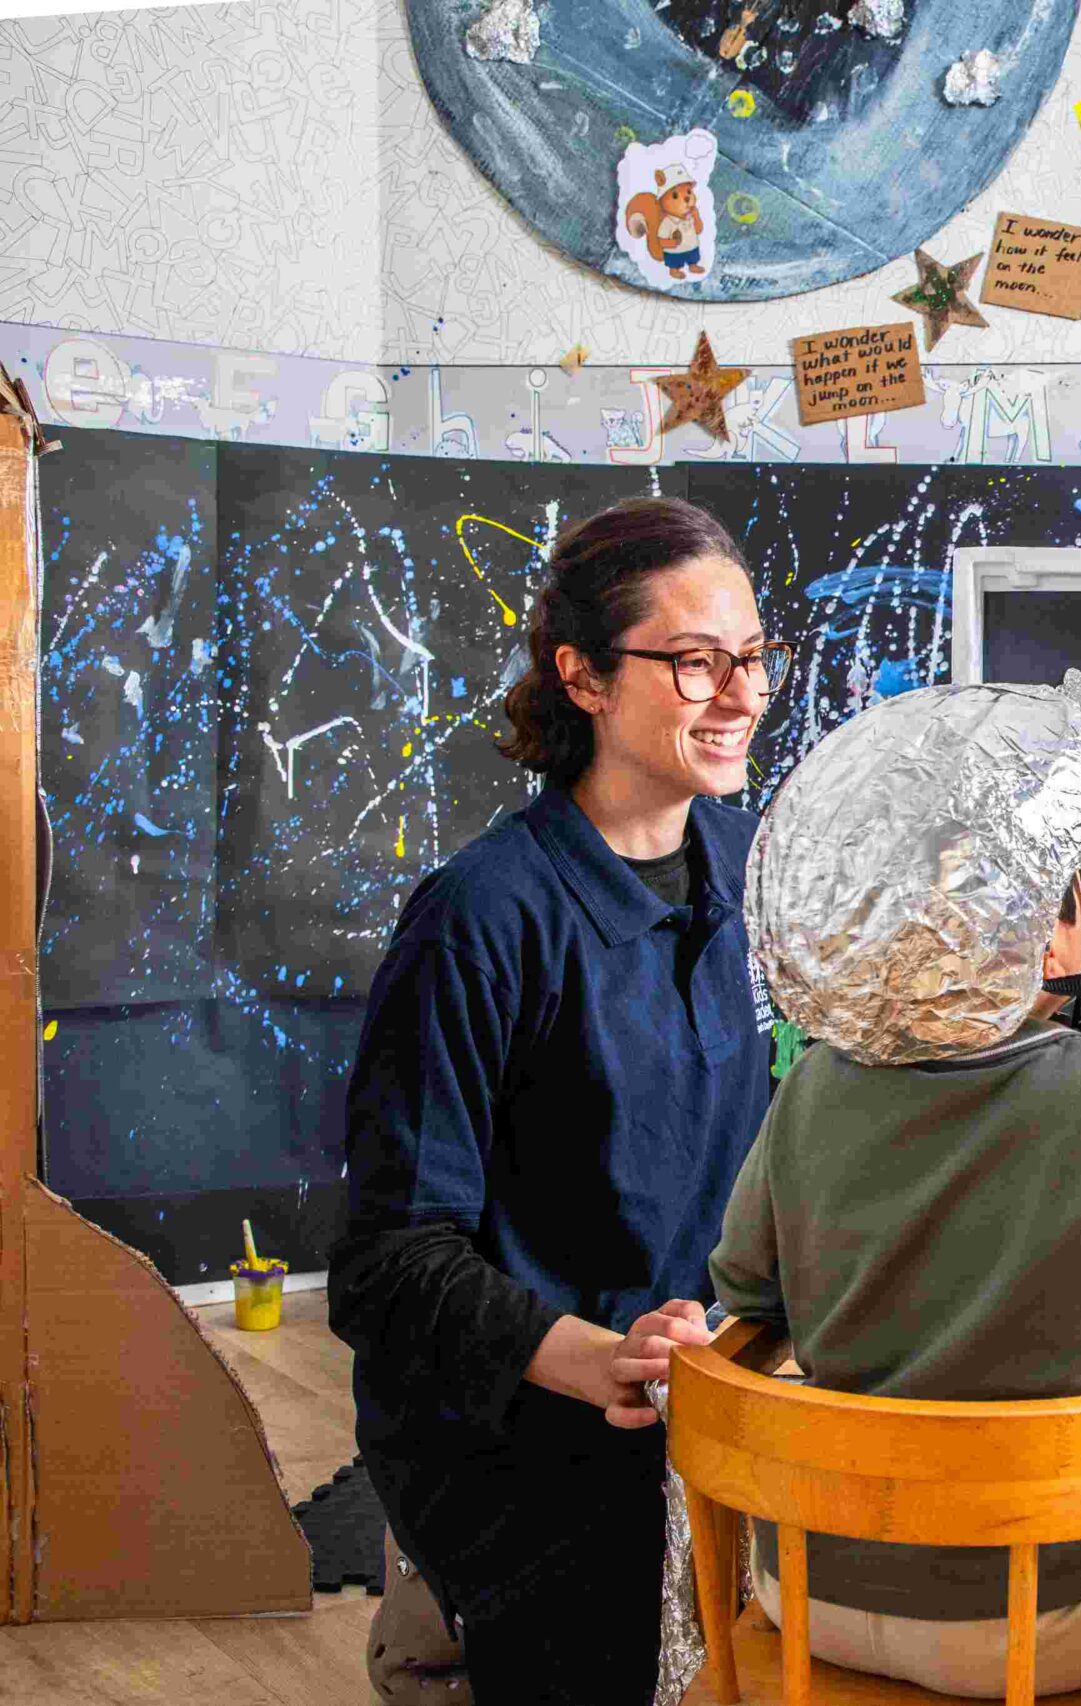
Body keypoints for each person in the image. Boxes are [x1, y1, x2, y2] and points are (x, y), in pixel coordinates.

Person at [710, 682, 1081, 1697]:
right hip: (1042, 1614)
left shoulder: (812, 1085)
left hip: (808, 1593)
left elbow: (747, 1290)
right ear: (1040, 934)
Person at [330, 496, 790, 1705]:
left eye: (753, 656)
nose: (740, 694)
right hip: (523, 1437)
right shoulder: (481, 918)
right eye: (695, 661)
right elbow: (386, 1262)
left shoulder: (761, 869)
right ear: (582, 676)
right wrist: (591, 1357)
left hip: (716, 1396)